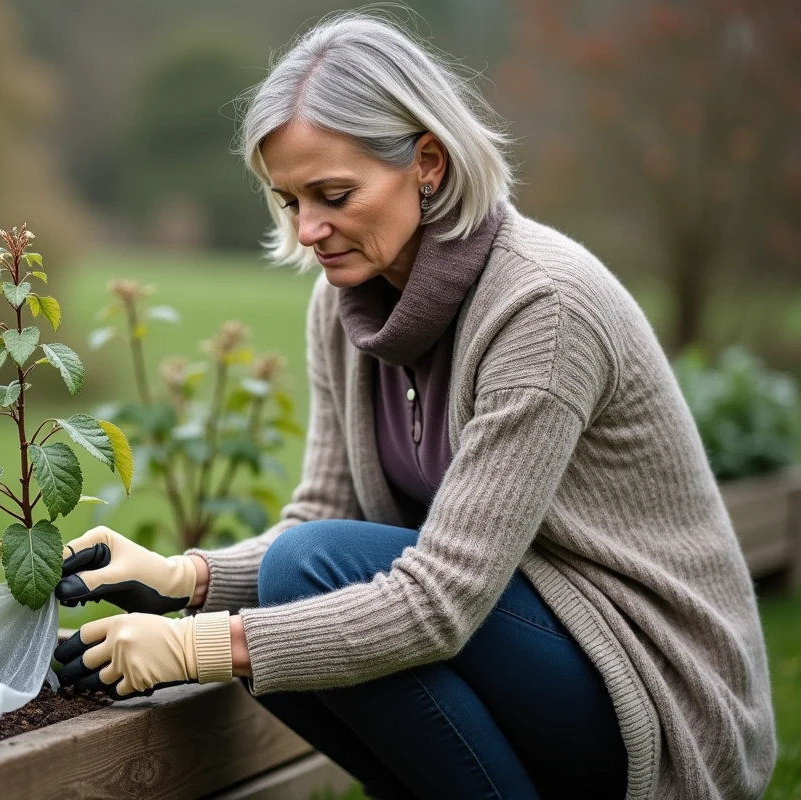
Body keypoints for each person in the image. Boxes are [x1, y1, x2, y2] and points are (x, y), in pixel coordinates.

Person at [52, 11, 775, 800]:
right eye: (289, 200)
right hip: (528, 647)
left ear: (427, 162)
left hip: (651, 688)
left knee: (301, 586)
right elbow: (323, 512)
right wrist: (185, 576)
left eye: (333, 194)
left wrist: (203, 645)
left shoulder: (543, 307)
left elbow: (442, 600)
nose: (310, 229)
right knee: (301, 586)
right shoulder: (344, 305)